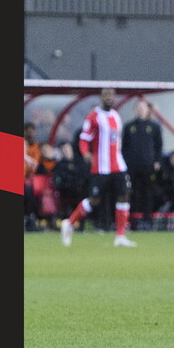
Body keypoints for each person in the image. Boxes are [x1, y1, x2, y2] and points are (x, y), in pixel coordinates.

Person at [60, 87, 138, 248]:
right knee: (94, 200)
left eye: (112, 96)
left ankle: (120, 236)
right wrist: (85, 153)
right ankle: (69, 223)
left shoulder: (116, 116)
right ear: (101, 98)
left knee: (124, 196)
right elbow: (83, 139)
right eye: (106, 95)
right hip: (101, 167)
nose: (109, 98)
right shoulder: (93, 117)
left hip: (118, 165)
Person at [121, 97, 163, 231]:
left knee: (148, 193)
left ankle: (147, 220)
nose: (140, 110)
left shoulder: (154, 127)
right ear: (135, 110)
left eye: (143, 108)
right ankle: (133, 221)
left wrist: (157, 161)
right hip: (132, 166)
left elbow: (159, 146)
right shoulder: (129, 127)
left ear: (147, 109)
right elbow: (124, 147)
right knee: (132, 193)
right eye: (138, 108)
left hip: (148, 166)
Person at [52, 140, 86, 224]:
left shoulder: (79, 162)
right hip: (65, 191)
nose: (66, 151)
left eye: (67, 148)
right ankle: (67, 222)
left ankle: (81, 223)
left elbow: (83, 175)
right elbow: (56, 179)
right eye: (63, 149)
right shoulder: (59, 165)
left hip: (79, 190)